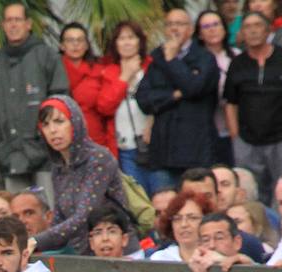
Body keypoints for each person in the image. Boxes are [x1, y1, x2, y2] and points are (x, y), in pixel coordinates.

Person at [0, 4, 68, 193]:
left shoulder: (46, 55)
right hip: (9, 155)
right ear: (3, 25)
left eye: (17, 20)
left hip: (45, 154)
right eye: (9, 20)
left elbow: (60, 100)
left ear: (28, 24)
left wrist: (45, 138)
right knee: (19, 215)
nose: (13, 25)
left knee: (50, 211)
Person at [32, 95, 133, 254]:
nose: (52, 130)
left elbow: (83, 216)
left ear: (75, 123)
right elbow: (59, 217)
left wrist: (37, 241)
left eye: (59, 121)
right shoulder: (57, 168)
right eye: (45, 124)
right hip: (81, 253)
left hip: (117, 253)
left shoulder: (99, 159)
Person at [135, 9, 220, 187]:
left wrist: (172, 60)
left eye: (179, 24)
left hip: (196, 149)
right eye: (170, 24)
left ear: (190, 29)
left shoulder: (205, 58)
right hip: (163, 150)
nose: (174, 29)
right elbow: (144, 99)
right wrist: (174, 95)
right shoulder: (157, 57)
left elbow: (194, 88)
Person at [225, 11, 282, 205]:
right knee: (250, 194)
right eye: (247, 27)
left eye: (257, 25)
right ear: (242, 33)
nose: (253, 31)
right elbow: (230, 102)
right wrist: (235, 136)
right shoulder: (237, 64)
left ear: (268, 30)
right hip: (247, 141)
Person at [101, 21, 157, 193]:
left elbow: (161, 99)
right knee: (138, 200)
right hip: (125, 148)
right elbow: (104, 106)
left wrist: (152, 121)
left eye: (131, 37)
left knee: (161, 195)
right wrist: (125, 76)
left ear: (140, 41)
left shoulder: (153, 65)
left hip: (155, 144)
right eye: (121, 38)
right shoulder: (108, 71)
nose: (126, 42)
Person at [61, 21, 124, 157]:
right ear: (62, 45)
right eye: (70, 40)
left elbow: (108, 111)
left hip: (96, 142)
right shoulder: (54, 71)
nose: (75, 44)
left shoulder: (99, 71)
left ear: (86, 45)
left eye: (80, 40)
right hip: (63, 145)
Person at [197, 10, 235, 165]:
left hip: (234, 128)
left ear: (224, 29)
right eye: (206, 26)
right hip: (206, 130)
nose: (212, 29)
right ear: (199, 34)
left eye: (215, 24)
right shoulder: (194, 61)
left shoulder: (237, 57)